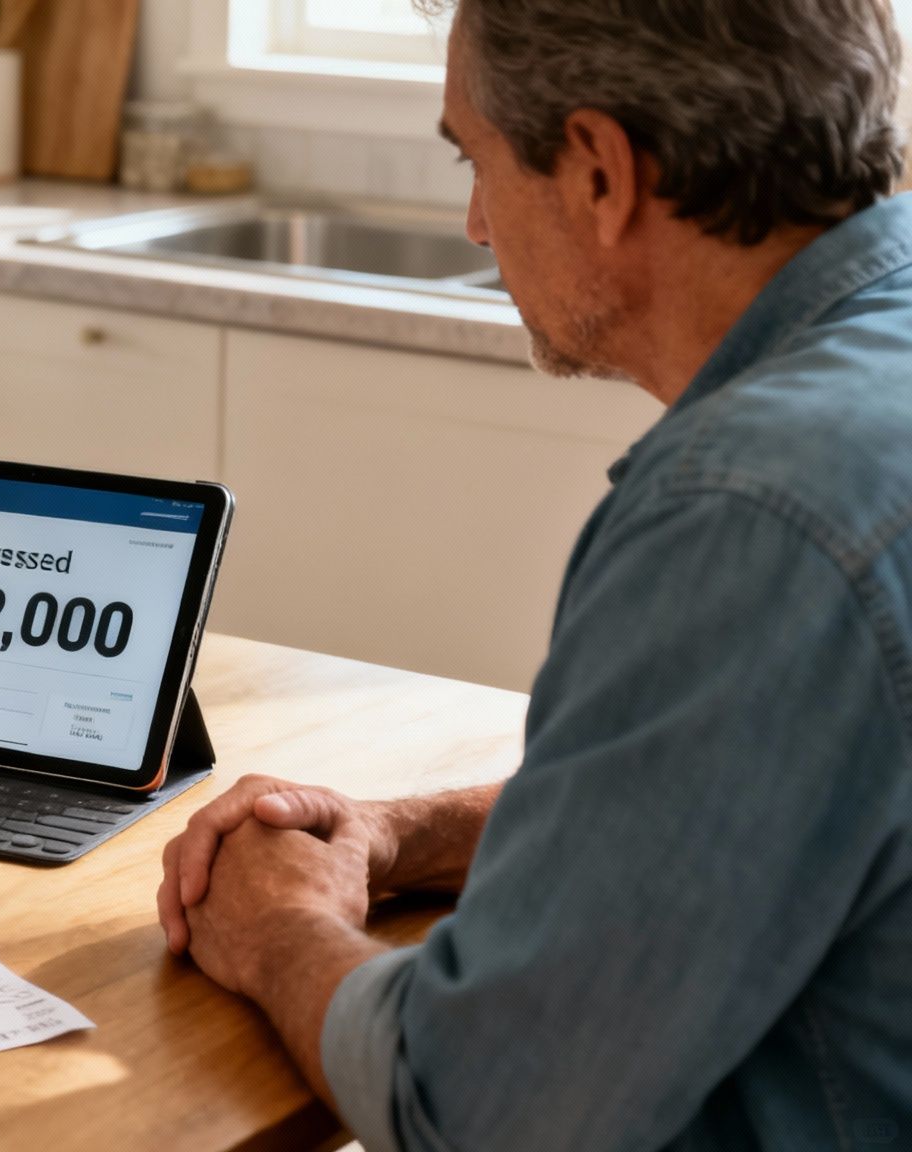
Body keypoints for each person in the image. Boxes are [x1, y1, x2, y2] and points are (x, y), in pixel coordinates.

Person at [156, 1, 912, 1147]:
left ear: (599, 172)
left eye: (476, 159)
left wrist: (278, 930)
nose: (471, 223)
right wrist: (405, 831)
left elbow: (477, 1106)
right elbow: (748, 802)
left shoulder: (744, 511)